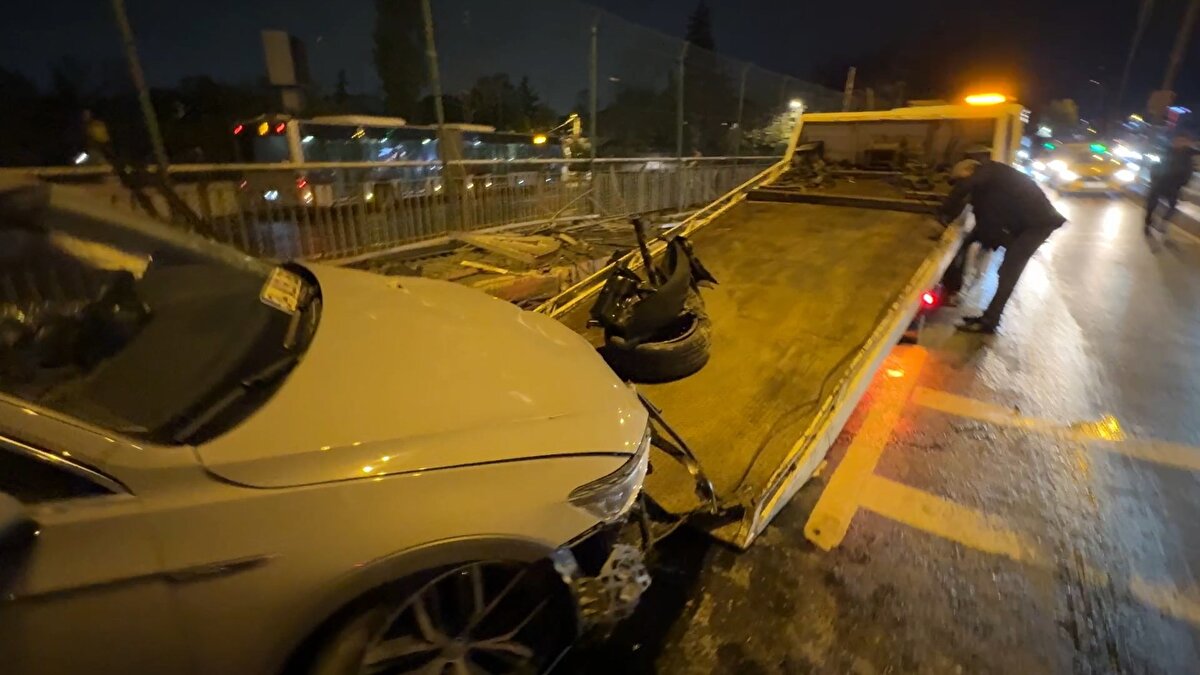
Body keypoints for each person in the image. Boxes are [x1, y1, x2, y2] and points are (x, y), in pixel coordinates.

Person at [938, 158, 1066, 334]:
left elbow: (965, 188)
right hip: (1023, 224)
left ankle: (990, 321)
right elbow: (980, 211)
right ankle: (967, 298)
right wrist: (949, 219)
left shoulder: (988, 170)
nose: (960, 184)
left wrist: (944, 211)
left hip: (1038, 225)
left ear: (970, 170)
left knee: (1008, 271)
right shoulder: (987, 188)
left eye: (961, 179)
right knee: (976, 244)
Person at [1144, 130, 1198, 235]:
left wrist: (1183, 182)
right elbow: (1156, 165)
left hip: (1173, 185)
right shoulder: (1168, 151)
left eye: (1183, 141)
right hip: (1161, 182)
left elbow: (1195, 153)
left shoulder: (1188, 153)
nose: (1180, 143)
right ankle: (1148, 221)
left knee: (1173, 206)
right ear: (1174, 141)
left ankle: (1163, 223)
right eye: (1178, 141)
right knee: (1151, 204)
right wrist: (1154, 179)